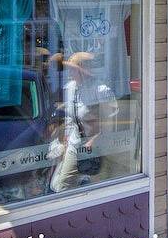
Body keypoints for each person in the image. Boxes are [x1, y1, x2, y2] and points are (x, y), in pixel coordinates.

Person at [49, 51, 117, 193]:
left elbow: (110, 123)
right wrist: (65, 138)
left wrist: (95, 140)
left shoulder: (101, 90)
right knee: (60, 185)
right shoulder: (70, 88)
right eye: (69, 69)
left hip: (96, 149)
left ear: (83, 71)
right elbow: (70, 117)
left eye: (73, 69)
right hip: (75, 144)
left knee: (97, 189)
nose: (69, 73)